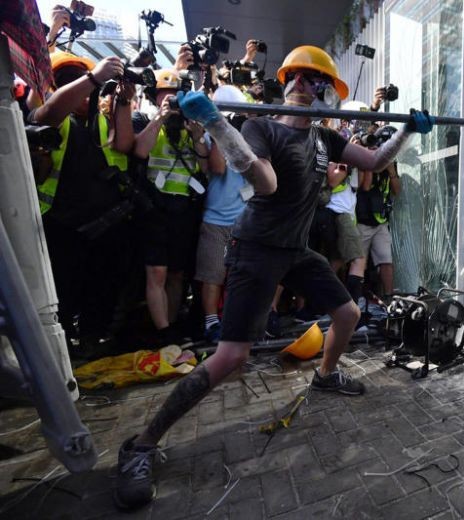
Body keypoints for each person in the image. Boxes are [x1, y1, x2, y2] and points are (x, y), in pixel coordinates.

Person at [113, 44, 433, 509]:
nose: (300, 85)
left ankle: (325, 376)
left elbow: (375, 162)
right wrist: (218, 124)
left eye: (311, 80)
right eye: (294, 78)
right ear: (284, 85)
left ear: (324, 91)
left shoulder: (325, 139)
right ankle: (140, 445)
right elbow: (264, 182)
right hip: (256, 252)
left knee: (346, 312)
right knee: (231, 358)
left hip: (296, 252)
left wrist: (406, 131)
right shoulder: (259, 127)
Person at [30, 51, 134, 353]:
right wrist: (92, 78)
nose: (82, 90)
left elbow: (125, 145)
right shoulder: (52, 113)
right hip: (62, 224)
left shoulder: (100, 119)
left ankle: (93, 339)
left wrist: (123, 102)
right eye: (67, 80)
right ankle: (60, 348)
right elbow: (48, 114)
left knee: (102, 287)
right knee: (63, 290)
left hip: (105, 224)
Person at [132, 68, 224, 346]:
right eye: (165, 95)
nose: (170, 100)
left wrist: (198, 137)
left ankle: (171, 327)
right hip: (156, 209)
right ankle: (162, 332)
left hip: (184, 210)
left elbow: (207, 168)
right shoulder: (150, 123)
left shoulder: (191, 129)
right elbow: (139, 151)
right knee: (156, 272)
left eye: (175, 97)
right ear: (155, 96)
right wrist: (160, 118)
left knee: (176, 274)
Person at [195, 85, 251, 343]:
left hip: (243, 218)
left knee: (239, 275)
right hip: (215, 219)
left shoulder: (248, 138)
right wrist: (219, 131)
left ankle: (235, 318)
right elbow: (217, 167)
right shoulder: (208, 137)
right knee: (213, 273)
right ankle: (210, 323)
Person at [356, 125, 402, 297]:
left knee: (386, 261)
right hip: (363, 221)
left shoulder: (391, 164)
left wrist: (391, 172)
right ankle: (355, 298)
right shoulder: (368, 158)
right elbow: (366, 186)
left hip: (381, 222)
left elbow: (397, 191)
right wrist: (372, 161)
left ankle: (389, 298)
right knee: (359, 263)